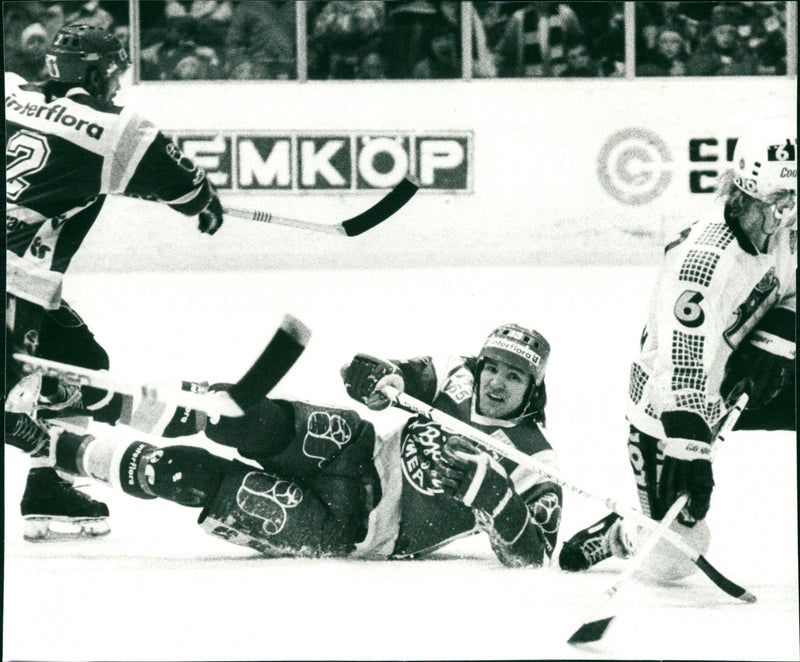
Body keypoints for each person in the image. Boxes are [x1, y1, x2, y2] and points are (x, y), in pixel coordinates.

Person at [7, 324, 563, 566]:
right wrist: (375, 375)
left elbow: (535, 554)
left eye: (513, 378)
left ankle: (57, 449)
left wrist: (490, 492)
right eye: (494, 367)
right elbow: (389, 371)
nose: (496, 382)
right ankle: (91, 399)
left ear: (531, 389)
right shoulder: (460, 376)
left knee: (189, 476)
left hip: (357, 529)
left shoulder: (534, 457)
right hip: (356, 447)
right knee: (239, 416)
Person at [5, 23, 225, 541]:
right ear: (101, 72)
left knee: (83, 365)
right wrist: (202, 203)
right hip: (15, 282)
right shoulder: (113, 127)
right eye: (115, 73)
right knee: (26, 391)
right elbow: (183, 180)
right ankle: (62, 455)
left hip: (29, 285)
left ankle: (47, 489)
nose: (118, 84)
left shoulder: (10, 90)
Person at [558, 124, 796, 580]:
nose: (790, 216)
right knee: (677, 550)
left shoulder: (784, 229)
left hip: (737, 372)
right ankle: (622, 534)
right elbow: (680, 367)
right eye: (781, 203)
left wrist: (776, 338)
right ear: (746, 193)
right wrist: (692, 449)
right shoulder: (702, 265)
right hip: (668, 404)